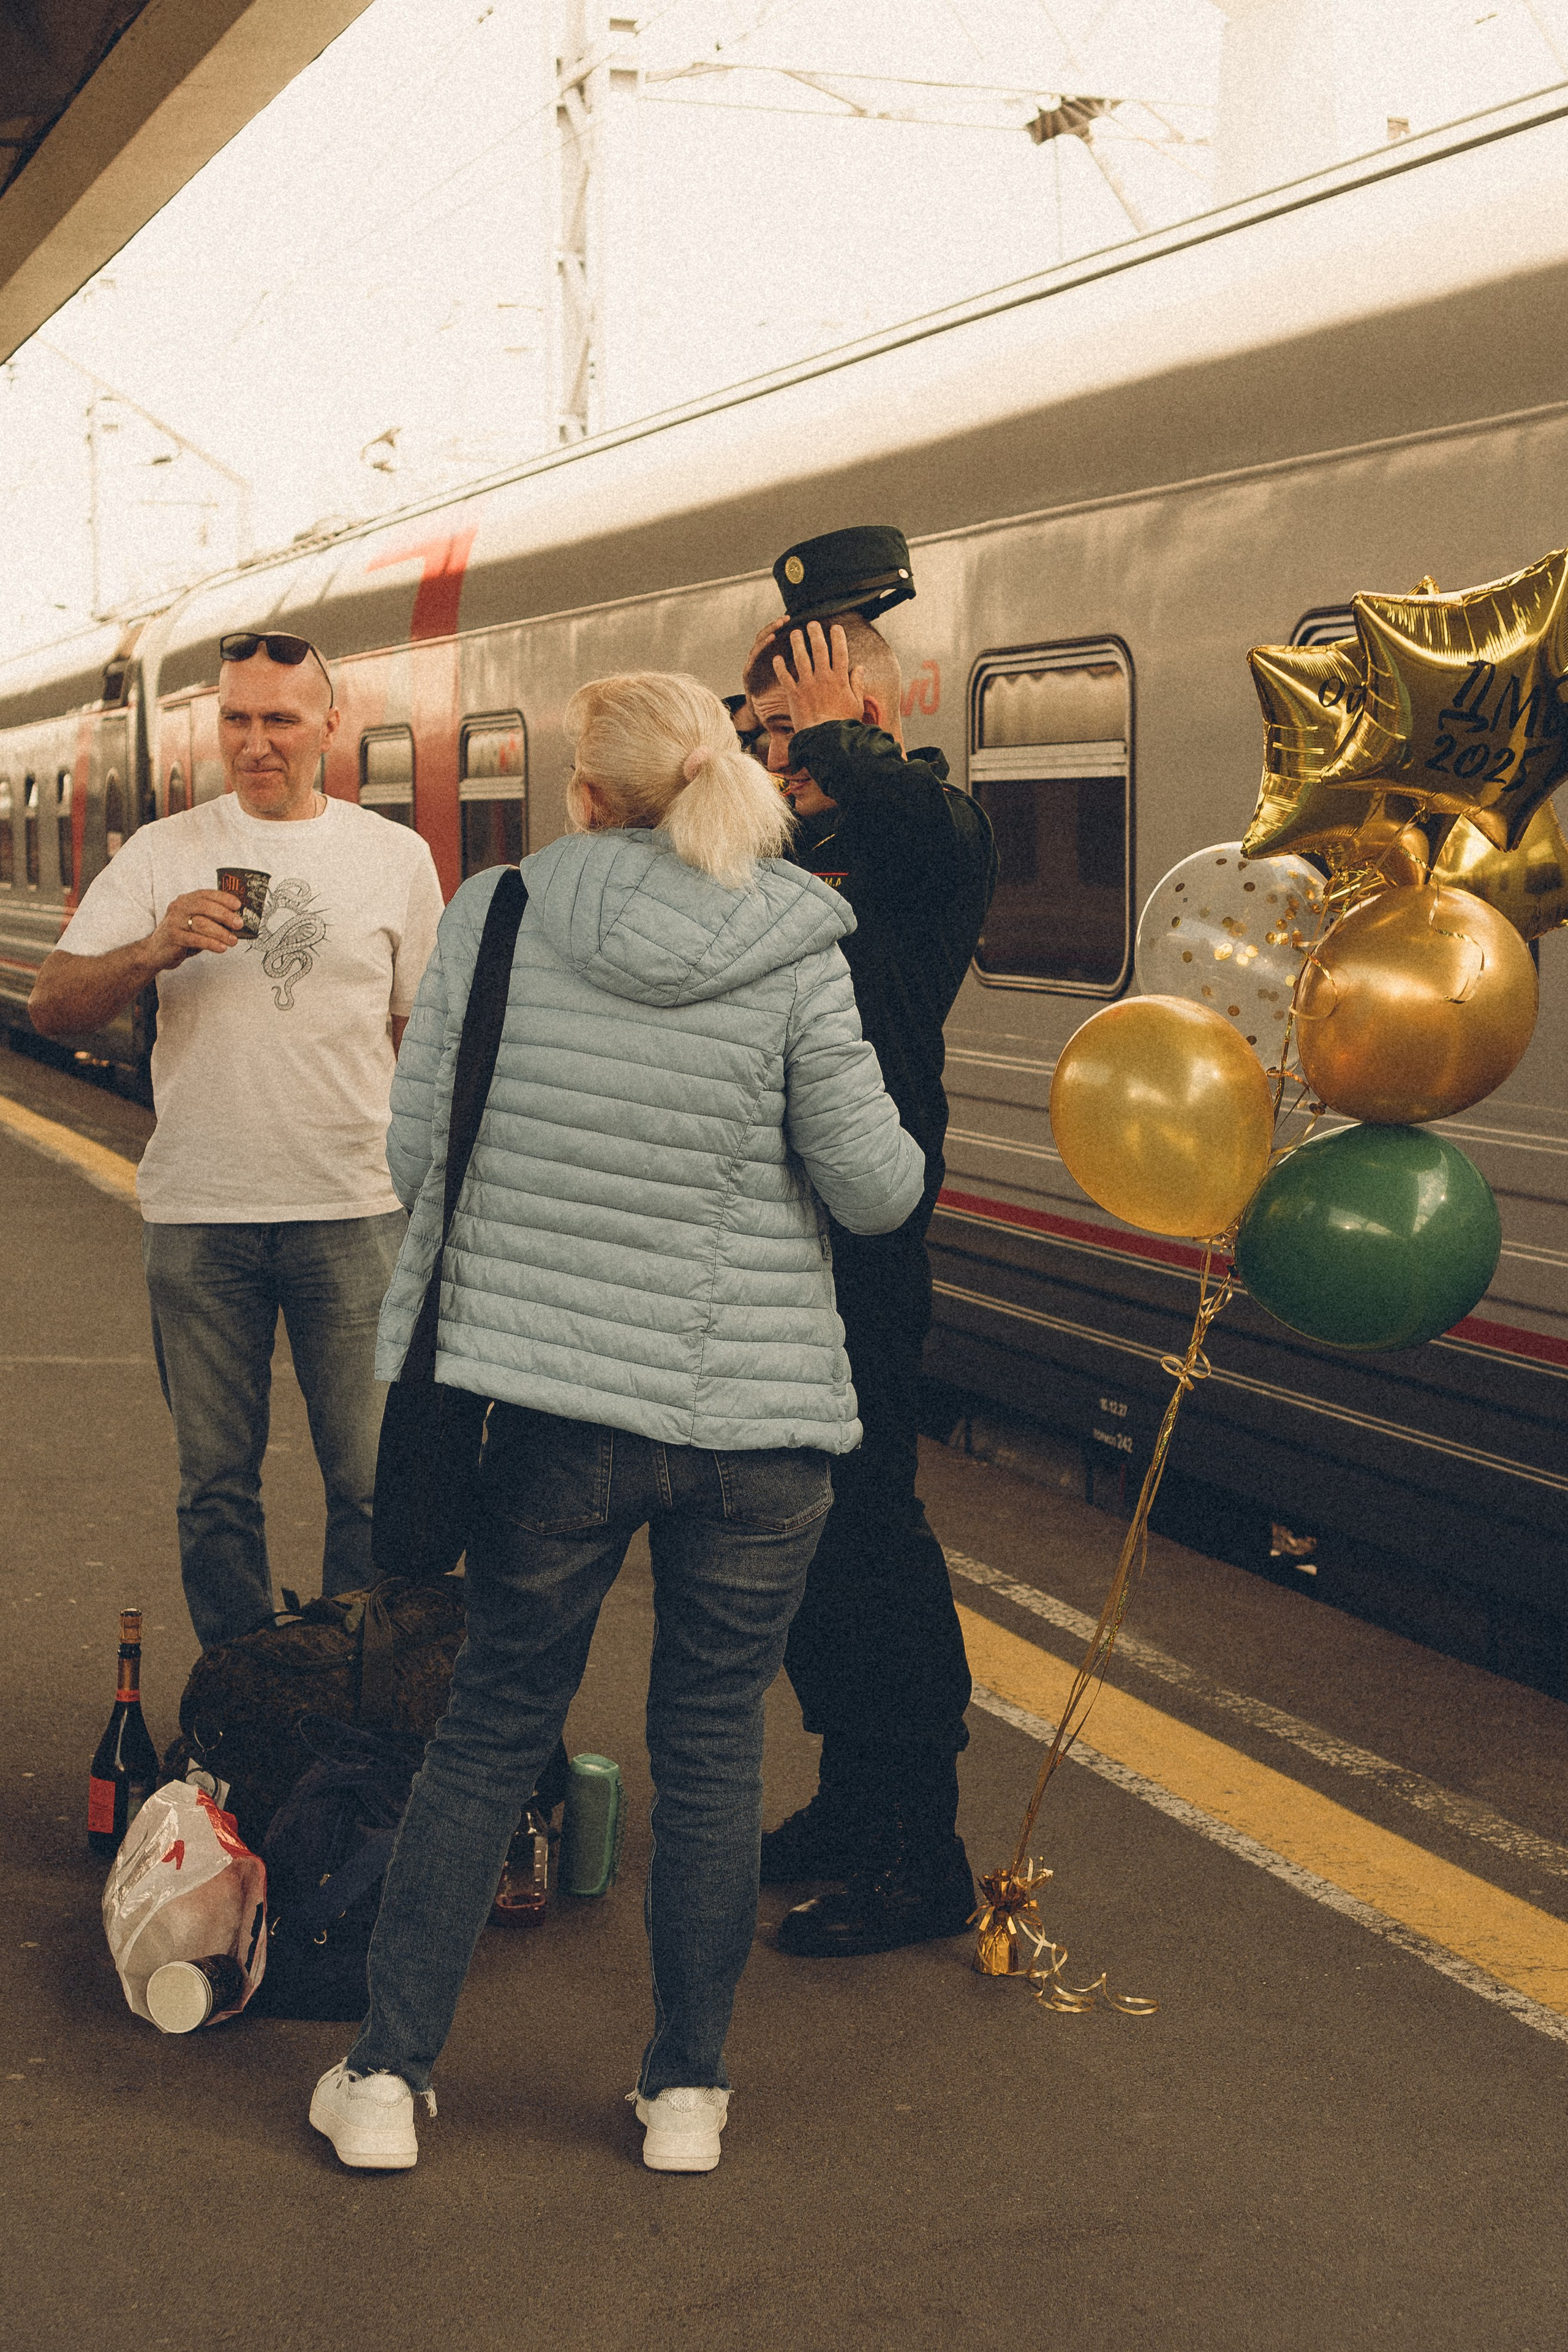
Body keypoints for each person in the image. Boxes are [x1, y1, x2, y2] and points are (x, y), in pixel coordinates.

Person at [307, 670, 924, 2177]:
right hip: (762, 1433)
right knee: (711, 1751)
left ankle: (385, 2082)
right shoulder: (797, 940)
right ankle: (686, 2096)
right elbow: (876, 1192)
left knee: (489, 1731)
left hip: (558, 1421)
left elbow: (412, 1148)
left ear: (582, 794)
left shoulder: (501, 916)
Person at [29, 631, 443, 1649]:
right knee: (216, 1488)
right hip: (200, 1215)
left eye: (281, 720)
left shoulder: (397, 858)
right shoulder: (161, 853)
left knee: (369, 1486)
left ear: (330, 728)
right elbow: (50, 1007)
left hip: (352, 1210)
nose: (256, 743)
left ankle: (349, 1697)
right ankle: (244, 1694)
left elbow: (419, 1033)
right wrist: (153, 944)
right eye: (237, 719)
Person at [739, 526, 998, 1960]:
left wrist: (843, 737)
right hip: (770, 1237)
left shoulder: (925, 837)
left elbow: (910, 829)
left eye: (802, 731)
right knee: (804, 1543)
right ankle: (852, 1794)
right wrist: (762, 743)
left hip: (863, 1242)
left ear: (876, 714)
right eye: (769, 734)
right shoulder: (792, 835)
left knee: (868, 1531)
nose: (782, 761)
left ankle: (922, 1846)